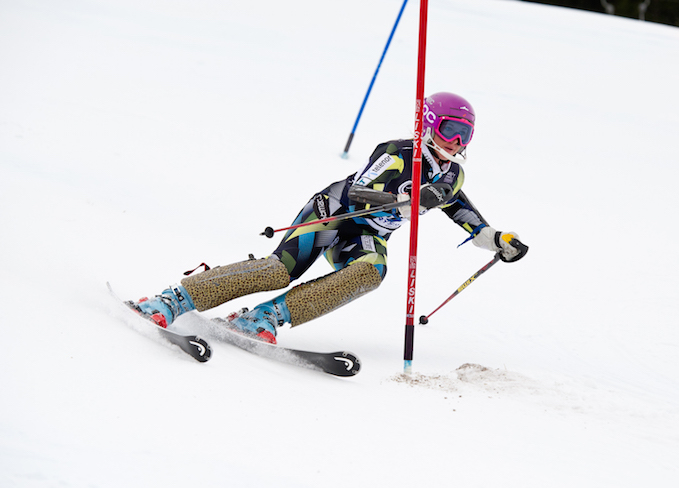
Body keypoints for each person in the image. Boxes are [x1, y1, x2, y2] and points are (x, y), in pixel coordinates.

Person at [130, 92, 528, 344]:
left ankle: (265, 317)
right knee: (277, 271)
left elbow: (464, 213)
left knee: (372, 272)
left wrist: (498, 240)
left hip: (366, 237)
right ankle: (173, 299)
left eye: (465, 134)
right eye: (450, 129)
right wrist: (401, 197)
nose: (456, 142)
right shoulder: (398, 153)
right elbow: (358, 193)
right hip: (333, 214)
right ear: (428, 124)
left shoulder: (452, 174)